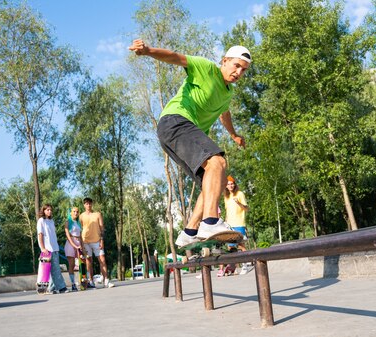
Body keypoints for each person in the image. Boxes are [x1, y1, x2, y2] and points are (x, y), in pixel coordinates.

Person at [128, 39, 251, 248]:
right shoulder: (206, 68)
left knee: (216, 180)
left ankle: (190, 230)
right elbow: (176, 57)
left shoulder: (227, 93)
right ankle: (210, 222)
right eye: (236, 66)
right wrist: (148, 51)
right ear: (224, 61)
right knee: (218, 162)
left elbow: (224, 113)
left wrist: (233, 134)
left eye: (244, 70)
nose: (239, 72)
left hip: (175, 134)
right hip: (175, 121)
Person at [218, 175, 252, 276]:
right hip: (229, 224)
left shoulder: (240, 194)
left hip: (239, 223)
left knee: (241, 245)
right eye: (228, 184)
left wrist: (239, 203)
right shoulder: (226, 196)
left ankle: (245, 265)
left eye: (232, 184)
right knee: (230, 247)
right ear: (226, 186)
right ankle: (233, 267)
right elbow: (227, 211)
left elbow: (246, 208)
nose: (230, 185)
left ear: (234, 184)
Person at [80, 197, 114, 288]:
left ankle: (106, 280)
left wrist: (102, 240)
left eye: (90, 203)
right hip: (85, 241)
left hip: (97, 241)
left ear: (92, 204)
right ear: (84, 205)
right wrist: (80, 244)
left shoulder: (97, 214)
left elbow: (102, 228)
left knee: (102, 260)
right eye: (86, 203)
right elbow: (80, 229)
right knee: (88, 262)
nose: (88, 205)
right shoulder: (81, 216)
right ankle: (91, 281)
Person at [37, 204, 69, 294]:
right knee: (46, 270)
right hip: (46, 249)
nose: (49, 211)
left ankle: (53, 288)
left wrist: (57, 246)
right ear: (43, 211)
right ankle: (57, 288)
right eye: (47, 210)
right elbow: (40, 235)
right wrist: (42, 248)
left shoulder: (51, 221)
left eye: (51, 210)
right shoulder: (41, 221)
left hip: (55, 248)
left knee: (54, 269)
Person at [64, 206, 83, 291]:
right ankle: (73, 284)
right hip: (70, 243)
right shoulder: (68, 222)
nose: (76, 213)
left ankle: (83, 282)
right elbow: (68, 236)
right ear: (70, 213)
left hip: (79, 243)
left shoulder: (79, 223)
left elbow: (81, 236)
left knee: (81, 264)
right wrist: (74, 246)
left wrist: (82, 246)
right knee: (71, 265)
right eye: (74, 211)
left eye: (77, 211)